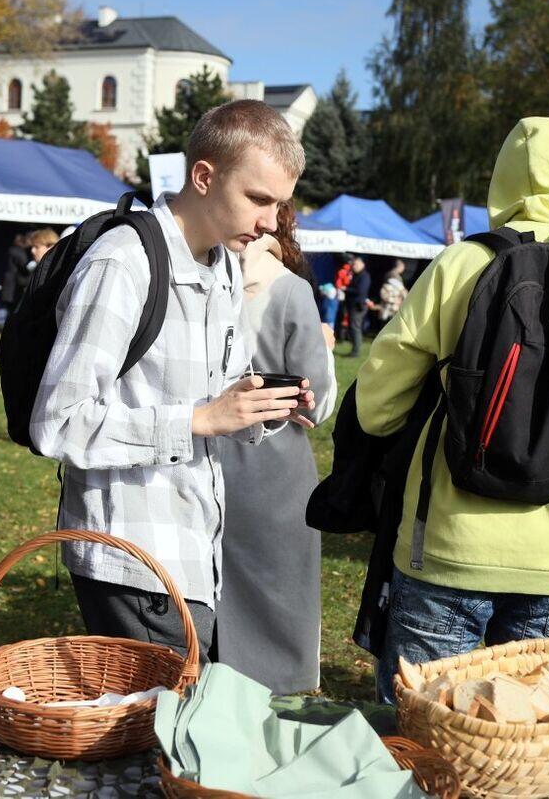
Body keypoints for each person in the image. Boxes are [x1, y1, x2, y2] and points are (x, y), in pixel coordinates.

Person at [358, 118, 549, 703]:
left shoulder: (458, 264)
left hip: (446, 547)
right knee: (533, 737)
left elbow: (375, 408)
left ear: (499, 181)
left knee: (421, 736)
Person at [32, 100, 314, 661]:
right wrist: (199, 420)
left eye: (279, 205)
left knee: (182, 711)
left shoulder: (224, 263)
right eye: (259, 199)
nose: (270, 223)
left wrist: (258, 405)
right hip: (133, 556)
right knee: (169, 713)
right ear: (204, 176)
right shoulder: (123, 263)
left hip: (193, 550)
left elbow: (214, 396)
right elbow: (58, 423)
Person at [218, 201, 337, 694]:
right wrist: (325, 349)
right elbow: (318, 402)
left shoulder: (204, 274)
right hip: (275, 464)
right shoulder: (290, 289)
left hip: (204, 451)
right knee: (283, 595)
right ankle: (279, 697)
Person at [344, 255, 371, 356]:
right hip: (353, 305)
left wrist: (346, 289)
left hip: (358, 306)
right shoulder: (356, 275)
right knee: (353, 327)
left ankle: (355, 351)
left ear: (362, 264)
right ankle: (355, 349)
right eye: (353, 264)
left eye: (356, 264)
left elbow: (360, 290)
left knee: (355, 327)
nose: (354, 266)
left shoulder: (364, 276)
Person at [1, 232, 32, 311]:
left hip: (10, 287)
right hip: (14, 288)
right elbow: (24, 267)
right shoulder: (18, 252)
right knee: (14, 311)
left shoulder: (11, 250)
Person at [378, 258, 407, 326]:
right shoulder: (394, 276)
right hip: (391, 302)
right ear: (400, 267)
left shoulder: (389, 274)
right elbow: (400, 290)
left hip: (391, 302)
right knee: (388, 323)